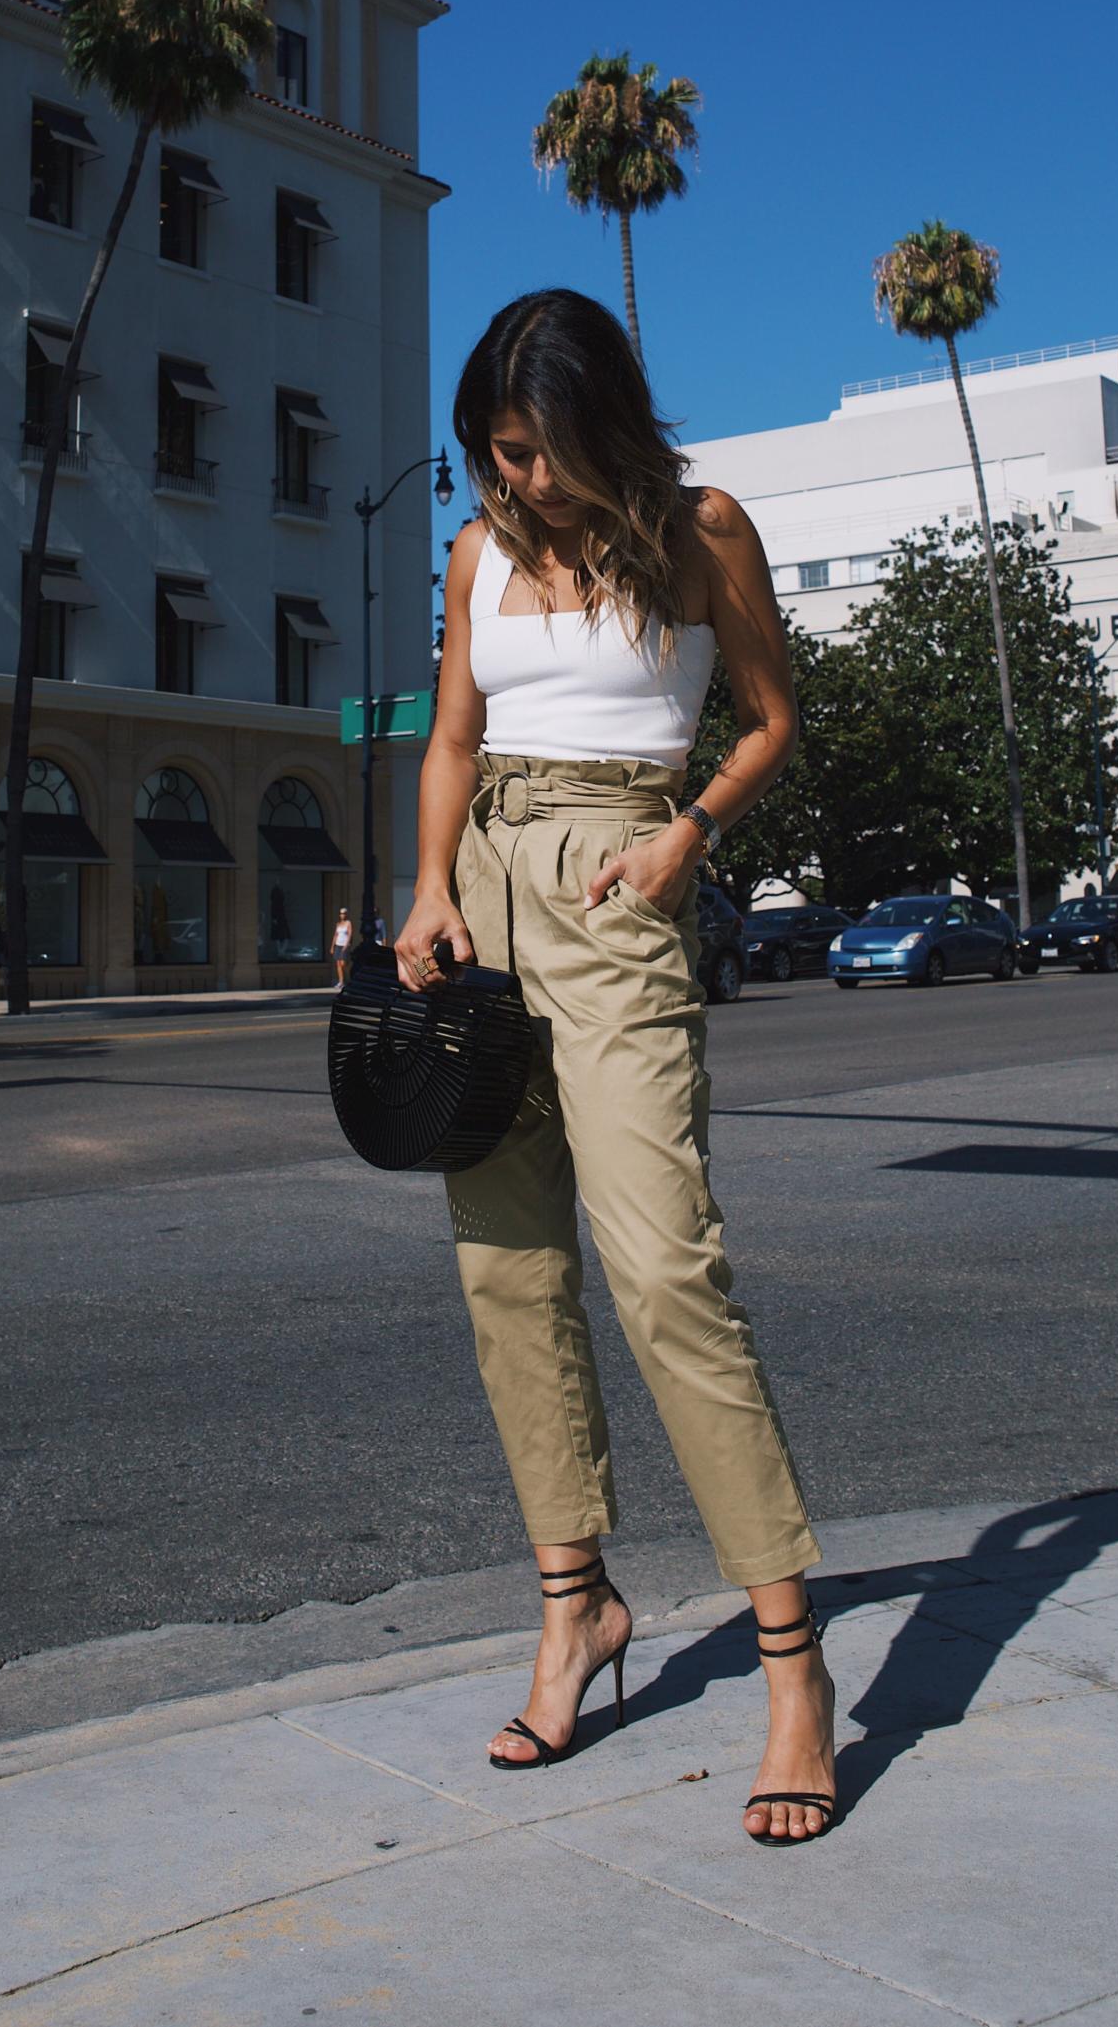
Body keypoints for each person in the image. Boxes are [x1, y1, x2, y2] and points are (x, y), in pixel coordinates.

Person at [396, 288, 834, 1845]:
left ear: (604, 425)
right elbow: (451, 734)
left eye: (537, 450)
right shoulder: (480, 555)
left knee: (662, 1271)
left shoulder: (705, 529)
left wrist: (686, 838)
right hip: (487, 890)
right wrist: (431, 887)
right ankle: (574, 1608)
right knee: (508, 1268)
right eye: (495, 456)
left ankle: (794, 1669)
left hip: (616, 879)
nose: (518, 482)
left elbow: (775, 719)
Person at [329, 906, 355, 989]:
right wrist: (332, 946)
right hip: (338, 945)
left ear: (346, 914)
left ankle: (348, 979)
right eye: (341, 914)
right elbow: (335, 936)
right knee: (338, 964)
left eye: (344, 913)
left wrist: (346, 945)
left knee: (343, 964)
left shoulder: (348, 923)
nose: (342, 915)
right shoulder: (338, 924)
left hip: (344, 945)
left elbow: (350, 934)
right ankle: (341, 981)